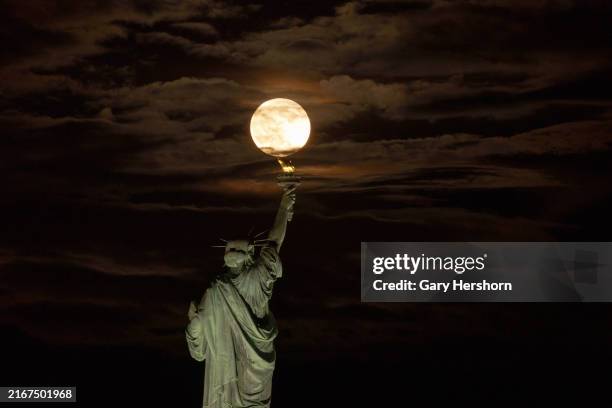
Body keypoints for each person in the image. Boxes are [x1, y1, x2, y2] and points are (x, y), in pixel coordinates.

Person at [186, 185, 296, 408]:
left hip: (244, 372)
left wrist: (284, 207)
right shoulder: (219, 289)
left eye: (236, 250)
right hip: (243, 370)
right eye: (230, 250)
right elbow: (199, 350)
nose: (232, 254)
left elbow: (274, 242)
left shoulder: (237, 284)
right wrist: (195, 323)